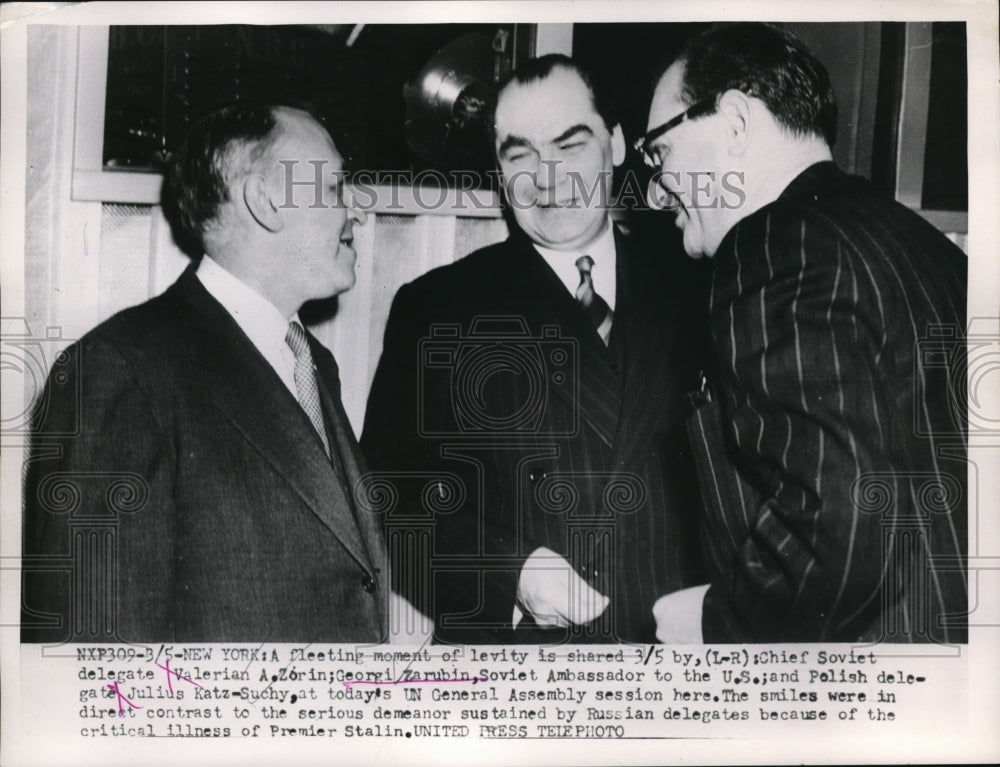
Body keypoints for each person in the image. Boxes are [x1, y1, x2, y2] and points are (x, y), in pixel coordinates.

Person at [637, 23, 968, 643]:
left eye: (659, 152)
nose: (657, 193)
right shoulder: (924, 246)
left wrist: (711, 623)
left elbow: (838, 525)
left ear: (734, 122)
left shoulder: (769, 244)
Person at [361, 55, 707, 644]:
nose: (546, 178)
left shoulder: (702, 285)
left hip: (673, 663)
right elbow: (386, 501)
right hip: (512, 676)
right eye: (520, 154)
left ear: (617, 145)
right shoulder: (439, 306)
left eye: (570, 145)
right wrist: (509, 572)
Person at [22, 103, 400, 643]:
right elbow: (94, 663)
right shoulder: (120, 369)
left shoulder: (313, 363)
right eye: (337, 186)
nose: (358, 211)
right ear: (265, 201)